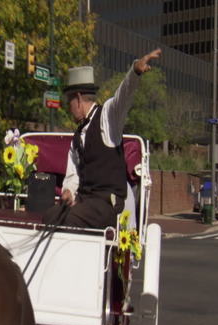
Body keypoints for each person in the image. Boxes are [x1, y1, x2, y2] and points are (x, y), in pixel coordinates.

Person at [43, 48, 162, 229]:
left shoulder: (107, 118)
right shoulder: (77, 138)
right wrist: (68, 191)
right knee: (50, 215)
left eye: (69, 102)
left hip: (107, 204)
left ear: (78, 98)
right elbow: (73, 173)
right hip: (86, 203)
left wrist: (135, 72)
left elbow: (122, 98)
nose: (69, 107)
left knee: (66, 218)